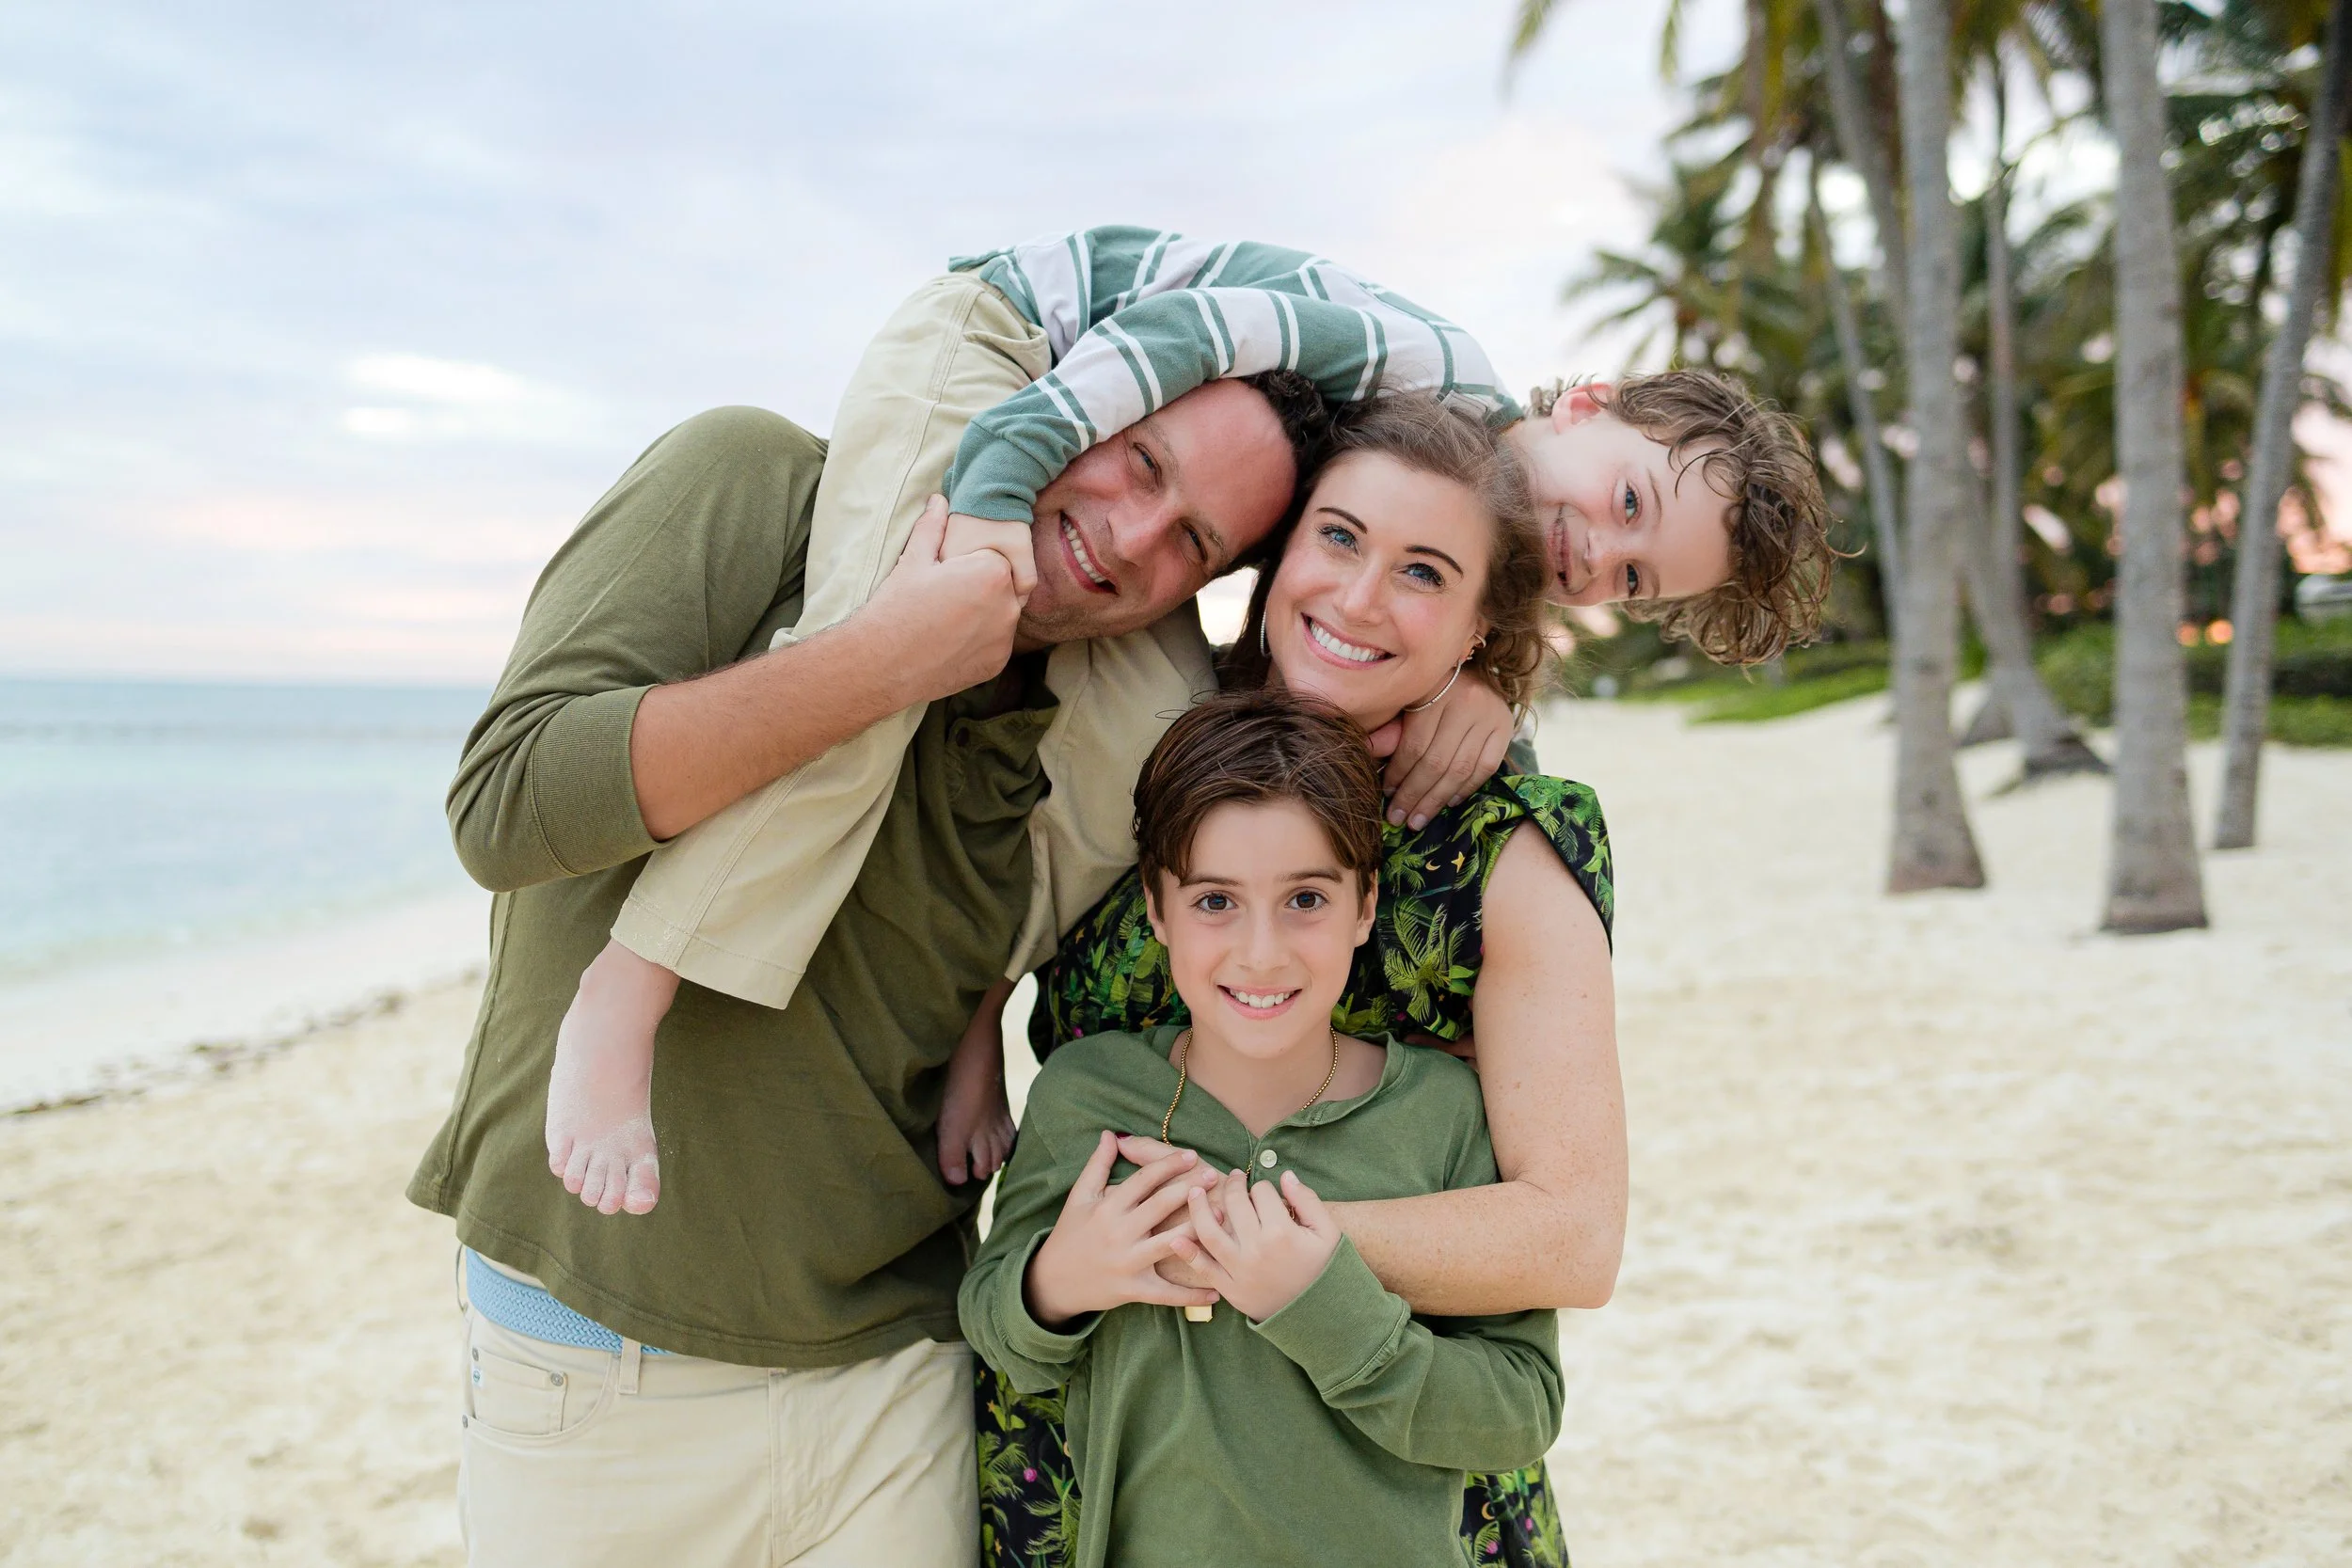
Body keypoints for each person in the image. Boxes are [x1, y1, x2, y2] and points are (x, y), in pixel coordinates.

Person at [540, 225, 1836, 1218]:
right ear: (1587, 402)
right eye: (1620, 501)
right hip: (1019, 356)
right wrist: (994, 503)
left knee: (1138, 744)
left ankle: (974, 1008)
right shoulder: (1435, 377)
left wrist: (1494, 693)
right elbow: (1181, 336)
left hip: (1117, 460)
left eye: (1628, 573)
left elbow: (1455, 650)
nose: (1588, 550)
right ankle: (634, 977)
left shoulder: (1481, 566)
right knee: (883, 662)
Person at [411, 356, 1316, 1561]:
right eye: (1139, 460)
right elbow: (506, 806)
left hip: (905, 1370)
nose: (1132, 534)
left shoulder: (1092, 702)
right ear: (1075, 399)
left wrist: (1497, 703)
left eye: (1192, 543)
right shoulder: (755, 480)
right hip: (597, 1361)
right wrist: (887, 653)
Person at [977, 393, 1617, 1568]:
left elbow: (1570, 1238)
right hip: (1121, 1475)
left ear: (1484, 624)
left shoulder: (1506, 844)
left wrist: (1240, 1232)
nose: (1360, 596)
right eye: (1337, 536)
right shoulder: (1147, 748)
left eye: (1424, 573)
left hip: (1393, 1493)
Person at [960, 688, 1563, 1568]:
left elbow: (1521, 1410)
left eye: (1306, 899)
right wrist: (1058, 1280)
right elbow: (993, 1321)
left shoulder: (1441, 1113)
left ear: (1365, 906)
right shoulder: (1088, 1093)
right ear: (1158, 912)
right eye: (1215, 902)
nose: (1261, 951)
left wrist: (1325, 1308)